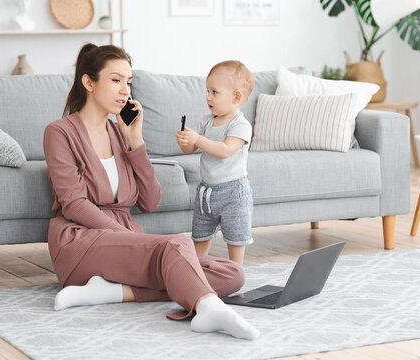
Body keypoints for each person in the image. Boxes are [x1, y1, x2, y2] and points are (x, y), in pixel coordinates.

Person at [43, 43, 259, 340]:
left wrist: (135, 140)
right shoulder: (59, 132)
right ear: (89, 82)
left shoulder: (120, 133)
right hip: (81, 242)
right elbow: (74, 204)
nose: (125, 91)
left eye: (128, 83)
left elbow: (150, 201)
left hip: (127, 246)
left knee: (233, 274)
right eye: (116, 80)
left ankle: (114, 292)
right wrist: (137, 240)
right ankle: (208, 308)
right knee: (177, 245)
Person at [175, 60, 254, 265]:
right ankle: (198, 269)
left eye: (215, 92)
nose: (208, 97)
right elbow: (190, 149)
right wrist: (186, 142)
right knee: (200, 235)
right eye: (207, 91)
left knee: (235, 238)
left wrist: (198, 140)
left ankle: (236, 270)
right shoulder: (207, 120)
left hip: (233, 194)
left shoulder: (241, 125)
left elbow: (225, 150)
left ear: (236, 96)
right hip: (206, 193)